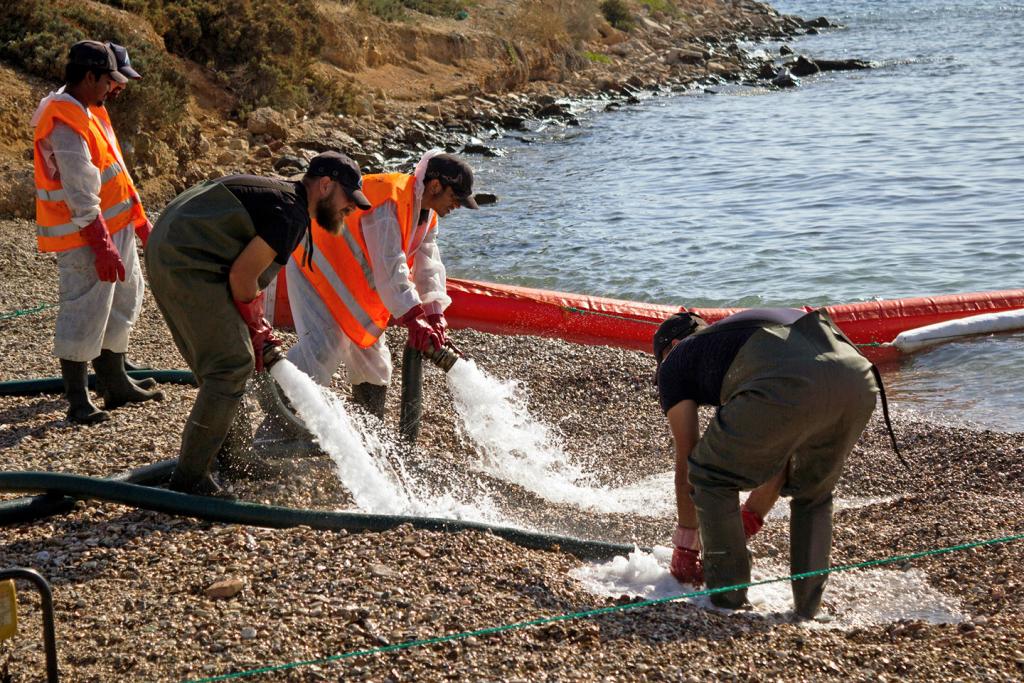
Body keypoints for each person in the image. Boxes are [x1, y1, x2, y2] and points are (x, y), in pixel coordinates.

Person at [145, 152, 371, 495]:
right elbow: (243, 275)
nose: (350, 209)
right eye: (347, 200)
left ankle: (236, 456)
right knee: (230, 365)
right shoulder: (290, 212)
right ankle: (189, 478)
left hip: (176, 246)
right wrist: (258, 328)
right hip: (186, 258)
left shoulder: (284, 199)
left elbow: (242, 271)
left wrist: (256, 329)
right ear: (325, 186)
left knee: (234, 362)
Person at [654, 307, 879, 618]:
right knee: (813, 494)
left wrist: (685, 548)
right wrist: (747, 519)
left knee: (710, 473)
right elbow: (782, 455)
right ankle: (809, 610)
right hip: (857, 374)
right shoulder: (736, 342)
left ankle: (726, 601)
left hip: (790, 377)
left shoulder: (675, 362)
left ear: (670, 349)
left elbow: (689, 467)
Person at [284, 151, 477, 420]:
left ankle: (369, 431)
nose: (456, 206)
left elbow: (429, 264)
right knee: (323, 347)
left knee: (373, 363)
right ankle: (276, 420)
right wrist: (413, 317)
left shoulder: (427, 214)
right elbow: (390, 266)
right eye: (455, 198)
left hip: (354, 284)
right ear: (435, 186)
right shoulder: (390, 200)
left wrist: (435, 314)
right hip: (318, 264)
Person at [31, 40, 162, 426]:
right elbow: (80, 192)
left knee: (123, 298)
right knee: (84, 309)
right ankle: (78, 400)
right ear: (90, 77)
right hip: (84, 234)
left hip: (112, 226)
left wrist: (137, 222)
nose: (112, 87)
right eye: (107, 79)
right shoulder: (64, 122)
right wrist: (102, 246)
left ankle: (114, 381)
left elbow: (113, 172)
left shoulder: (88, 110)